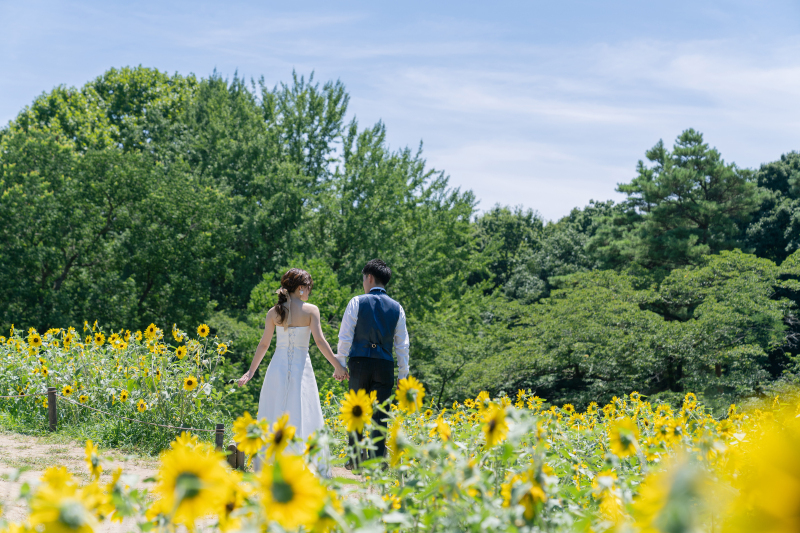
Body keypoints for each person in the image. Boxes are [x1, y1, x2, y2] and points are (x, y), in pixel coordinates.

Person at [237, 268, 348, 475]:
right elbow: (320, 342)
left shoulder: (274, 312)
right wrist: (337, 365)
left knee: (273, 411)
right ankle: (301, 463)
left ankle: (271, 464)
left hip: (276, 368)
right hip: (301, 367)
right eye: (308, 288)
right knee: (302, 410)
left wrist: (250, 372)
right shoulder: (311, 310)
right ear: (300, 288)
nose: (309, 292)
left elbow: (263, 345)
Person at [336, 259, 410, 468]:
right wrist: (403, 376)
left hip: (359, 362)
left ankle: (356, 460)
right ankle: (378, 462)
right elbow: (403, 345)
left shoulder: (357, 302)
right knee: (380, 416)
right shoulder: (397, 308)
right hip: (384, 365)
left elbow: (345, 336)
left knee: (356, 411)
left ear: (369, 277)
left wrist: (340, 363)